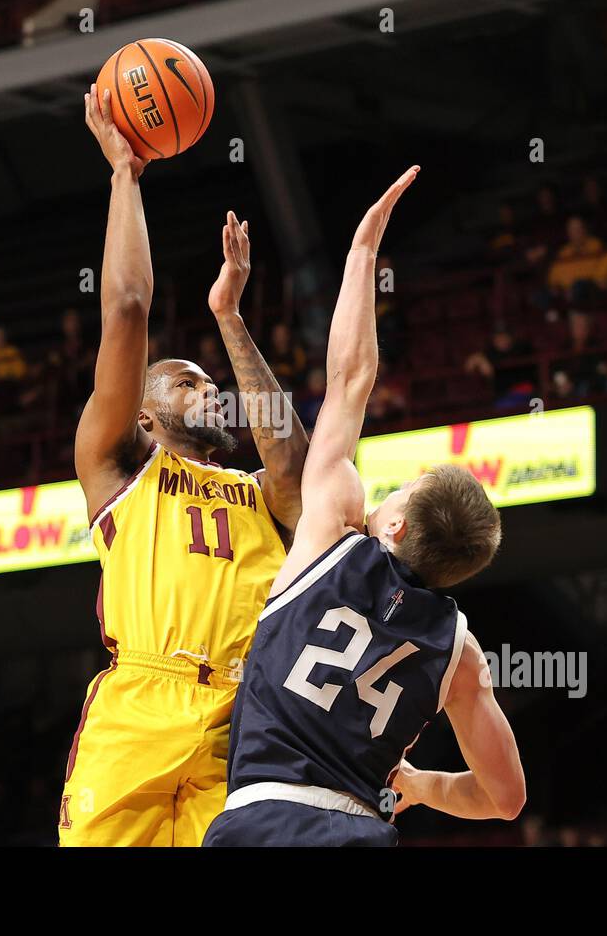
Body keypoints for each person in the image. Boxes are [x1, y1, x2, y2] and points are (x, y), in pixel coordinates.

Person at [204, 167, 525, 847]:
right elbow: (506, 798)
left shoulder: (331, 533)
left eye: (398, 490)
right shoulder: (459, 653)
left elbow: (350, 377)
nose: (383, 492)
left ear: (398, 524)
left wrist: (360, 253)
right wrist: (422, 785)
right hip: (356, 830)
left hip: (260, 817)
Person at [59, 85, 309, 847]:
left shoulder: (261, 496)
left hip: (241, 723)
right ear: (142, 415)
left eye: (210, 383)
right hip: (139, 702)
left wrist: (230, 318)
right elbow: (128, 307)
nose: (208, 389)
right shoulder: (117, 469)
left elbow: (295, 465)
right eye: (184, 381)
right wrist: (124, 176)